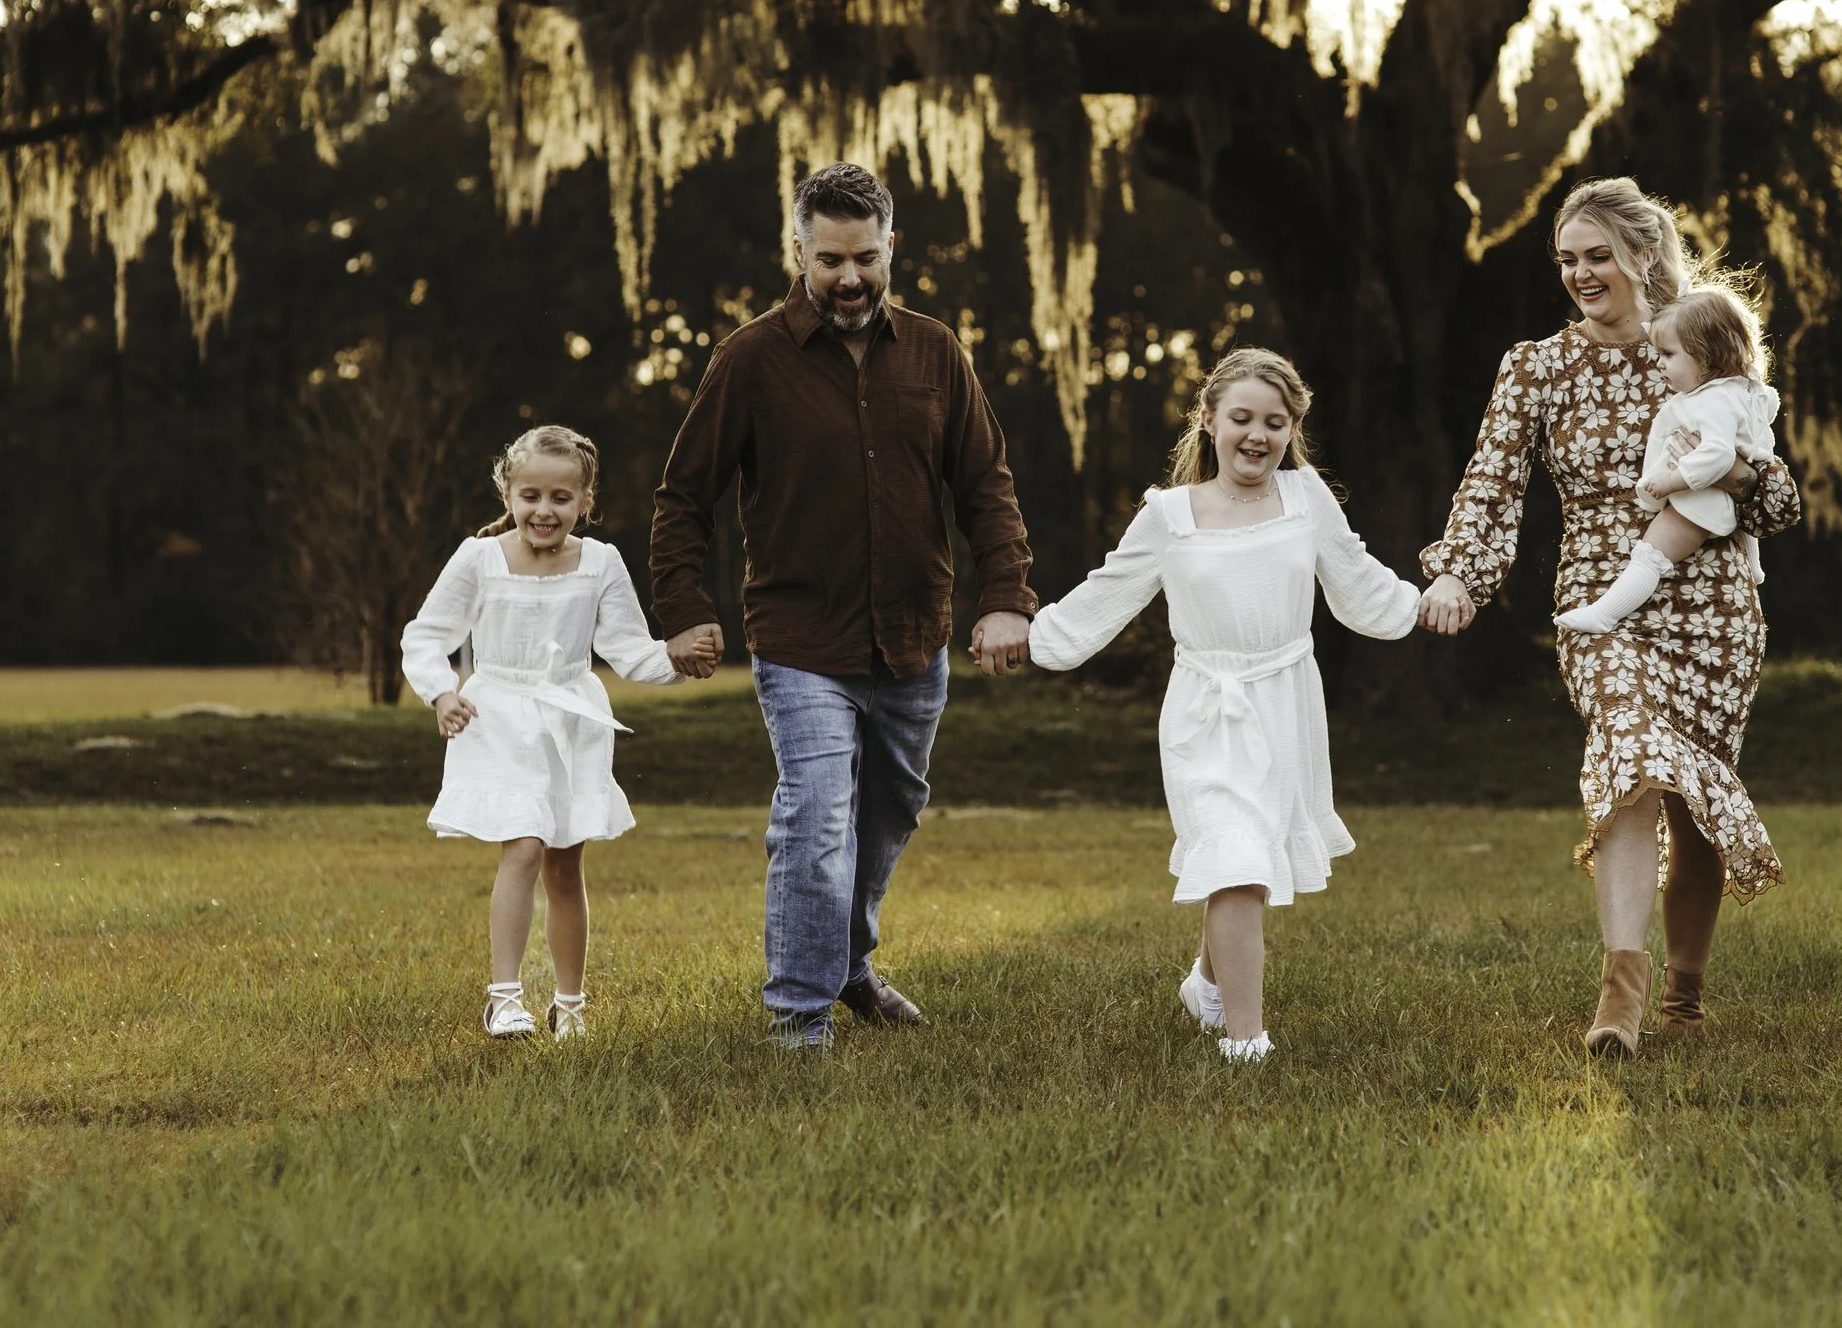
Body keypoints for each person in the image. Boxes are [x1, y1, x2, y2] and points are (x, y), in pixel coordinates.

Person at [650, 163, 1036, 1049]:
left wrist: (1007, 595)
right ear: (798, 251)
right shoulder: (749, 359)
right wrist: (681, 605)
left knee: (889, 814)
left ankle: (849, 961)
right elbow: (681, 497)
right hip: (801, 639)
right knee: (816, 817)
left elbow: (985, 486)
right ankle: (799, 1015)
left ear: (892, 246)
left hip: (912, 636)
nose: (850, 278)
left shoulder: (937, 351)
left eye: (866, 257)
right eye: (830, 260)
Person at [1417, 178, 1801, 1057]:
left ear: (1642, 255)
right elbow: (1489, 487)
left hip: (1711, 604)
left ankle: (1685, 993)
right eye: (1567, 260)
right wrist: (1460, 578)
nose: (1581, 274)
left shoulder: (1699, 344)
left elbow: (1779, 495)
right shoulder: (1536, 365)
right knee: (1630, 755)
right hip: (1600, 600)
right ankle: (1619, 996)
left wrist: (1741, 478)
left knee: (1697, 794)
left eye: (1597, 256)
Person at [1028, 350, 1420, 1064]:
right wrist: (1031, 637)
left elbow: (1359, 581)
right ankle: (1248, 1042)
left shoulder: (1307, 499)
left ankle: (1207, 981)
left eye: (1275, 422)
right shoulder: (1169, 515)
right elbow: (1106, 594)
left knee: (1248, 860)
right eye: (1241, 418)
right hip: (1206, 709)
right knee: (1236, 858)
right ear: (1208, 420)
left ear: (1292, 427)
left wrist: (1425, 604)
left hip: (1286, 701)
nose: (1257, 436)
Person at [399, 424, 695, 1041]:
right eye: (530, 495)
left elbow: (625, 648)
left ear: (585, 502)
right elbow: (427, 635)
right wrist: (442, 691)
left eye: (561, 498)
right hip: (497, 716)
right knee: (525, 845)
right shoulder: (479, 558)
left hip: (570, 718)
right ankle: (504, 997)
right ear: (508, 493)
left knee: (565, 862)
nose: (544, 510)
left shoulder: (602, 562)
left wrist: (678, 657)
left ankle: (570, 1005)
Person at [1554, 285, 1780, 634]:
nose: (1659, 363)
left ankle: (1606, 613)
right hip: (1719, 501)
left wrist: (1670, 481)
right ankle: (1755, 566)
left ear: (1707, 356)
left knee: (1650, 555)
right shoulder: (1734, 391)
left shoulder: (1713, 401)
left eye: (1668, 354)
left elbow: (1719, 455)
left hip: (1699, 503)